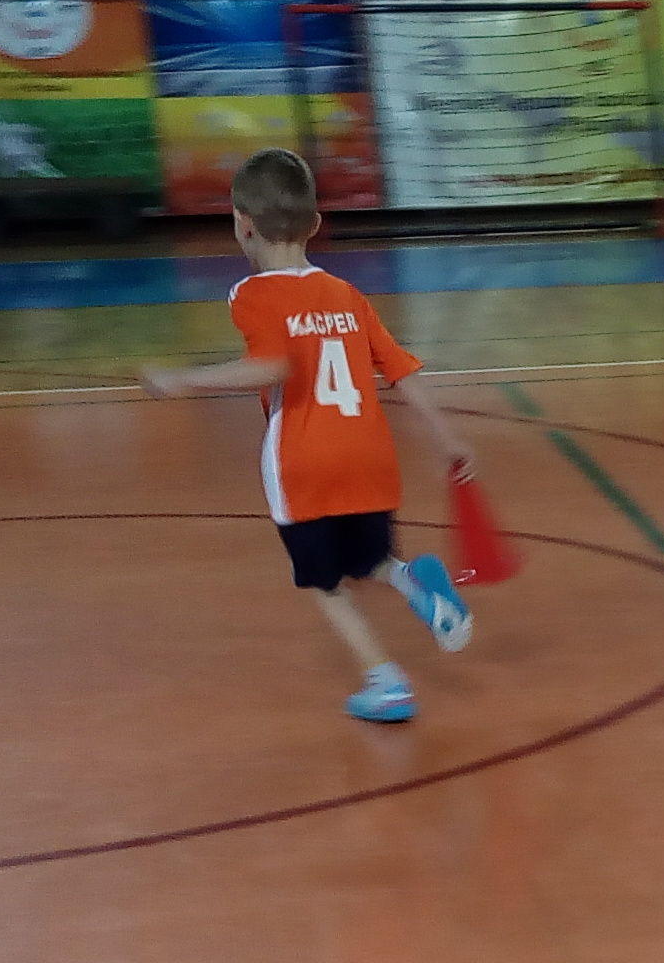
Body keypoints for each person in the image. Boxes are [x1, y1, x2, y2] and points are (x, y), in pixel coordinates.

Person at [139, 148, 476, 724]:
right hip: (369, 457)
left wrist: (183, 380)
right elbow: (404, 374)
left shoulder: (251, 293)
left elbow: (272, 366)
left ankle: (386, 681)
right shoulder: (348, 296)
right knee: (370, 559)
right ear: (316, 223)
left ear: (242, 224)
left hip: (304, 463)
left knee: (325, 582)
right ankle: (415, 586)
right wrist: (449, 442)